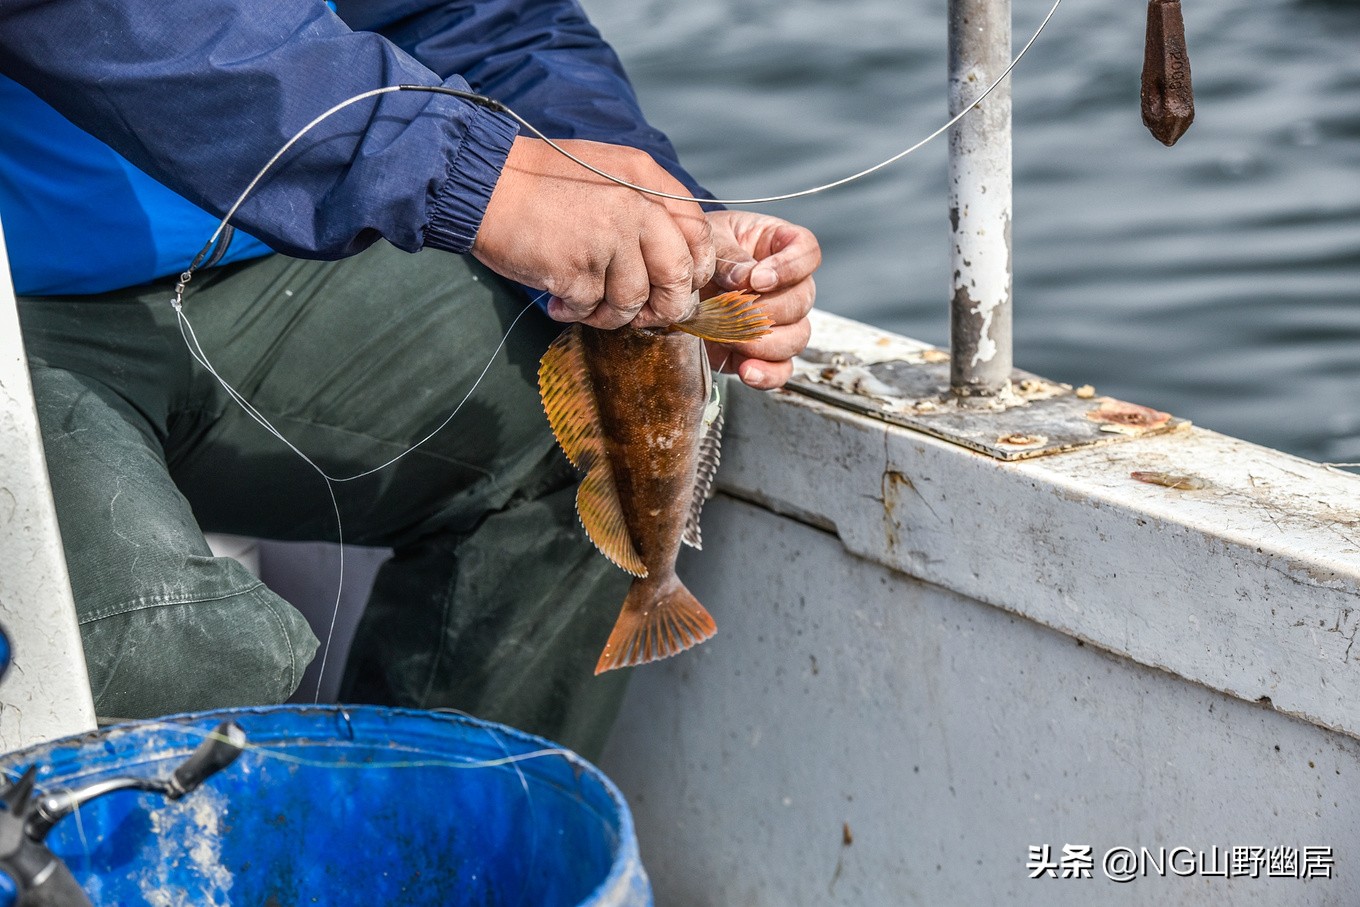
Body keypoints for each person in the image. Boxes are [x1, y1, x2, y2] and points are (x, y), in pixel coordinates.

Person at [0, 0, 819, 758]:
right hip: (17, 297)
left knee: (585, 439)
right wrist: (479, 174)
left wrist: (659, 230)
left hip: (267, 263)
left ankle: (425, 846)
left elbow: (469, 15)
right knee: (172, 646)